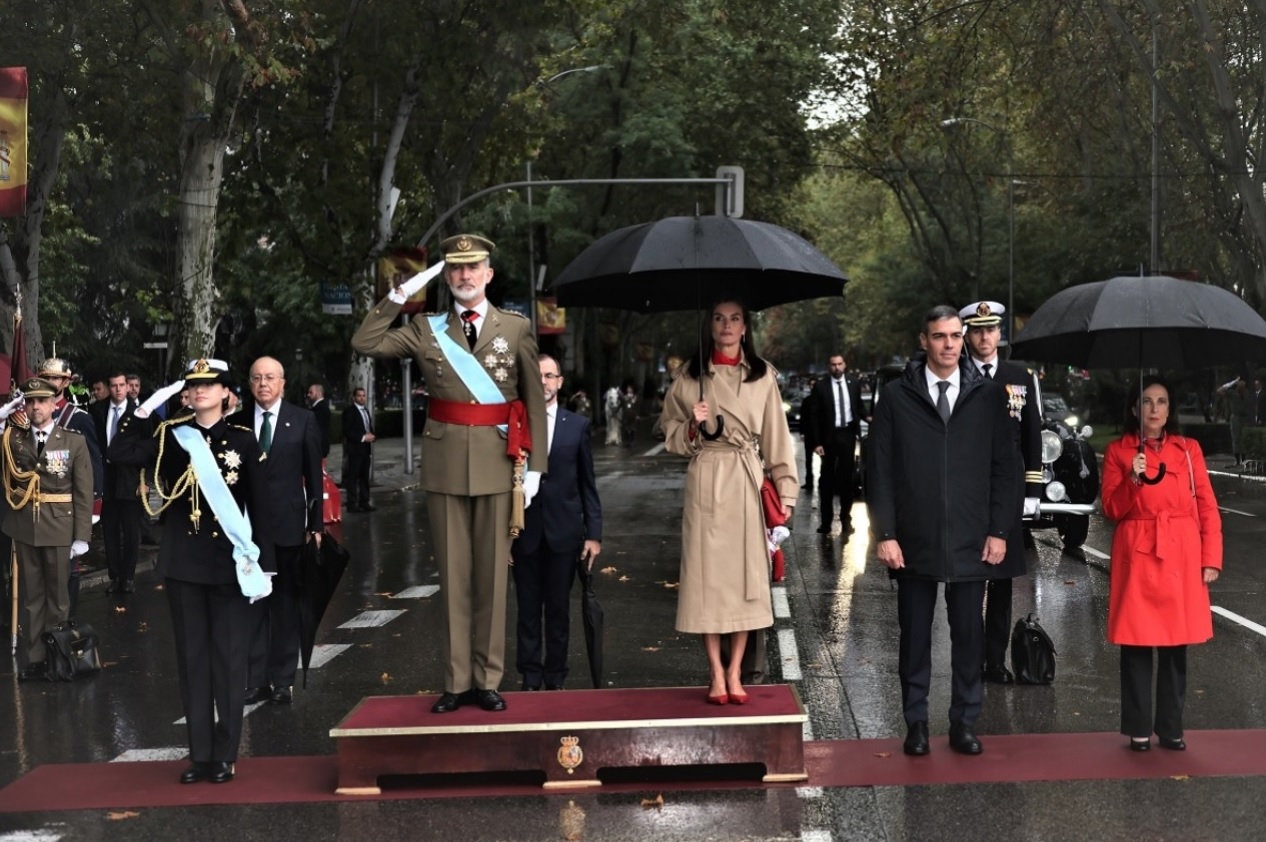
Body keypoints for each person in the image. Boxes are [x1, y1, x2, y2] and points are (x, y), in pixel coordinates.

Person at [351, 233, 547, 714]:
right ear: (447, 277)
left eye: (472, 268)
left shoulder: (516, 327)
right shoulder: (426, 328)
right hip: (443, 467)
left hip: (499, 464)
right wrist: (399, 295)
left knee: (491, 581)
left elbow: (534, 401)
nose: (463, 276)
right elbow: (365, 341)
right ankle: (456, 681)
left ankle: (488, 679)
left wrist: (537, 464)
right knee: (454, 579)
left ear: (488, 275)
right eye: (455, 269)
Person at [107, 359, 271, 784]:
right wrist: (144, 410)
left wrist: (263, 566)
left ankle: (226, 753)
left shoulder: (243, 440)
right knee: (193, 659)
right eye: (193, 386)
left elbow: (261, 504)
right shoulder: (172, 437)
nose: (199, 392)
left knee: (229, 660)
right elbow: (118, 452)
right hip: (183, 562)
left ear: (225, 393)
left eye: (208, 385)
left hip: (230, 563)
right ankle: (200, 756)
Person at [867, 305, 1015, 756]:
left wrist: (998, 530)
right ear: (923, 340)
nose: (949, 344)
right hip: (915, 540)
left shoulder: (987, 396)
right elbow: (880, 470)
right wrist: (886, 533)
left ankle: (964, 723)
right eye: (939, 336)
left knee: (969, 638)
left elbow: (1004, 469)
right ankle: (916, 723)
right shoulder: (896, 396)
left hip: (972, 539)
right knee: (914, 638)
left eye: (955, 335)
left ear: (964, 339)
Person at [659, 297, 797, 705]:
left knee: (746, 580)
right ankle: (715, 673)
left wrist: (785, 490)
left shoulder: (762, 376)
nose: (727, 326)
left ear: (745, 327)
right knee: (707, 582)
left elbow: (777, 436)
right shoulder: (689, 376)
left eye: (735, 319)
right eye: (719, 318)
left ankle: (736, 671)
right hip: (706, 479)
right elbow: (668, 430)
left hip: (746, 480)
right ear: (710, 325)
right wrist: (691, 426)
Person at [1100, 375, 1222, 752]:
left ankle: (1171, 728)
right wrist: (1133, 480)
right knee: (1136, 643)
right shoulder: (1119, 452)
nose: (1154, 409)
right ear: (1135, 409)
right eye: (1147, 402)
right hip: (1137, 552)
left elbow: (1206, 504)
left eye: (1162, 402)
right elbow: (1111, 509)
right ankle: (1138, 729)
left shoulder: (1189, 450)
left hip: (1181, 552)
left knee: (1175, 644)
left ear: (1170, 410)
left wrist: (1211, 556)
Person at [959, 301, 1043, 684]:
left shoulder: (1018, 375)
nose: (984, 337)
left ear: (999, 332)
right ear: (967, 334)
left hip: (1007, 490)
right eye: (976, 330)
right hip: (968, 491)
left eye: (990, 329)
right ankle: (970, 660)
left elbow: (1031, 434)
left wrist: (1031, 490)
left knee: (1002, 581)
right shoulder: (955, 373)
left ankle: (995, 661)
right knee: (969, 582)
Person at [510, 354, 602, 691]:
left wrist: (594, 534)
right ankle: (530, 677)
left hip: (564, 535)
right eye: (538, 377)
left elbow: (587, 484)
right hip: (525, 534)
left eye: (550, 376)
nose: (545, 382)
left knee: (559, 612)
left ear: (560, 382)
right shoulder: (515, 424)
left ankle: (555, 679)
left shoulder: (576, 426)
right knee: (528, 611)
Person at [1, 378, 95, 681]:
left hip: (59, 526)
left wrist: (82, 535)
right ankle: (37, 659)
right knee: (32, 598)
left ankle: (59, 656)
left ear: (54, 403)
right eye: (30, 402)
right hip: (26, 526)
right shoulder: (13, 439)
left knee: (58, 598)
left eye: (41, 401)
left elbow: (84, 490)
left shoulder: (73, 440)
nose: (35, 407)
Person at [243, 357, 323, 706]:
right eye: (257, 378)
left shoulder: (302, 420)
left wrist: (316, 525)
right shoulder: (238, 423)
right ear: (249, 384)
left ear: (283, 383)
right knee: (254, 606)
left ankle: (282, 679)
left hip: (290, 527)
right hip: (248, 532)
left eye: (270, 378)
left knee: (285, 605)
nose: (263, 384)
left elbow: (314, 477)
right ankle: (256, 678)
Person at [36, 357, 104, 619]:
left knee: (69, 568)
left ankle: (66, 623)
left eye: (55, 379)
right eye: (46, 378)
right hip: (37, 505)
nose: (50, 383)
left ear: (66, 382)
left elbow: (93, 464)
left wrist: (94, 508)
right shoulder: (32, 415)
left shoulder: (78, 418)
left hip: (67, 506)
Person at [92, 371, 142, 594]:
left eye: (122, 385)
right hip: (106, 478)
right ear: (109, 387)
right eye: (114, 386)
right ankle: (115, 576)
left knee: (131, 532)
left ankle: (129, 577)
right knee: (109, 530)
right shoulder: (98, 411)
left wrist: (145, 479)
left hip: (130, 478)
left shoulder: (139, 413)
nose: (119, 390)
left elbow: (148, 446)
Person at [807, 354, 865, 534]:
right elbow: (814, 416)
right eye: (833, 365)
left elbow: (859, 407)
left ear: (845, 365)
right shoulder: (821, 386)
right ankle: (826, 522)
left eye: (840, 364)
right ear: (829, 366)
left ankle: (846, 521)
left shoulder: (854, 384)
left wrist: (871, 418)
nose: (837, 368)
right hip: (828, 438)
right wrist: (816, 442)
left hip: (847, 435)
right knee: (827, 480)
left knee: (847, 480)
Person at [341, 387, 375, 512]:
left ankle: (364, 502)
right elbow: (347, 431)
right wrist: (362, 437)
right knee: (353, 477)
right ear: (354, 397)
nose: (362, 398)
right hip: (355, 450)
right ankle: (351, 504)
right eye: (359, 396)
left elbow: (368, 426)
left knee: (364, 477)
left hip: (366, 450)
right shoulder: (350, 411)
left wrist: (372, 436)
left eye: (363, 395)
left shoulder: (366, 411)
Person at [800, 377, 818, 490]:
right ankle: (809, 482)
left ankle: (822, 482)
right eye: (811, 385)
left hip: (821, 435)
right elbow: (803, 418)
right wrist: (802, 432)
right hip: (809, 434)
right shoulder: (806, 401)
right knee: (808, 460)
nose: (813, 387)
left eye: (814, 384)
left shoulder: (824, 399)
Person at [307, 383, 332, 459]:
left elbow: (317, 429)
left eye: (311, 392)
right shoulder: (321, 407)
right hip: (319, 447)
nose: (308, 395)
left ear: (319, 393)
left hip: (317, 447)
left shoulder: (320, 408)